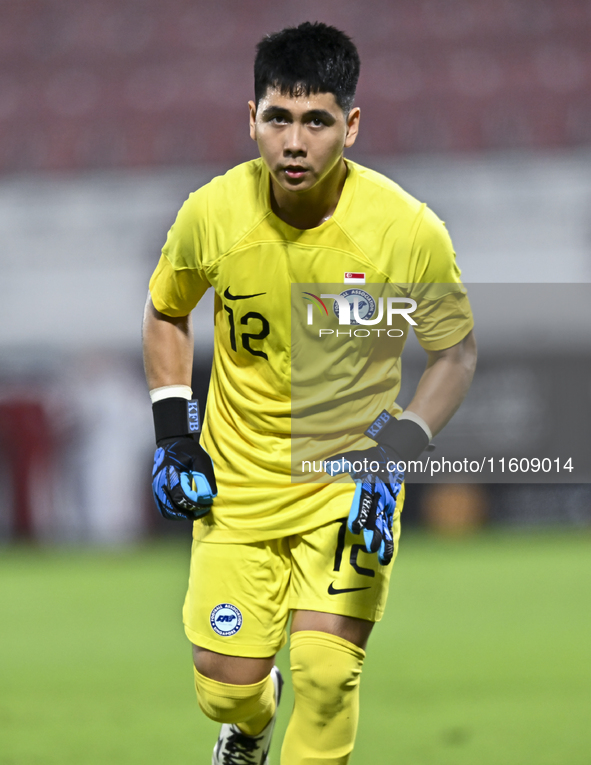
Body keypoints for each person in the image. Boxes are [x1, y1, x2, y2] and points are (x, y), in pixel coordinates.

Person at [142, 21, 477, 765]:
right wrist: (173, 434)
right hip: (236, 482)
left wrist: (395, 454)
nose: (294, 143)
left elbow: (453, 353)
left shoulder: (406, 230)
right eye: (278, 119)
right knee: (225, 686)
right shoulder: (212, 215)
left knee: (326, 674)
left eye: (316, 121)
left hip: (346, 482)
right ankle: (247, 730)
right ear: (251, 118)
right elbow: (166, 309)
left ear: (350, 125)